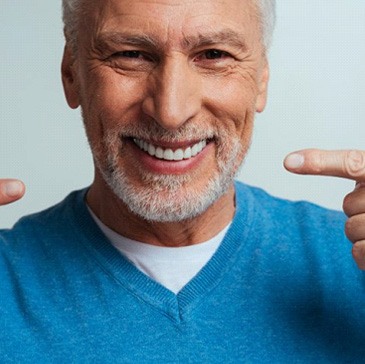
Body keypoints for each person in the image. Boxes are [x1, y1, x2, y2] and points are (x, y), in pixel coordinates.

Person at [1, 0, 365, 362]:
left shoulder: (354, 262)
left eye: (213, 54)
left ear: (260, 80)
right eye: (131, 54)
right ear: (71, 75)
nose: (171, 112)